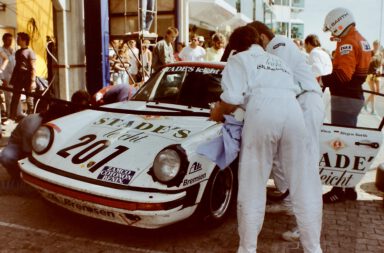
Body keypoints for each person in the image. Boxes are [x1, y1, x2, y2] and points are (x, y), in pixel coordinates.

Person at [210, 25, 322, 253]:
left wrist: (217, 112)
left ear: (236, 47)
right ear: (258, 41)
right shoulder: (278, 62)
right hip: (293, 112)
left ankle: (247, 249)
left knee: (253, 183)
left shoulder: (239, 60)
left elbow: (231, 99)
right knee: (303, 183)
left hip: (262, 112)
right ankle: (314, 249)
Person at [240, 21, 324, 244]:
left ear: (262, 37)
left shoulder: (279, 45)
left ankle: (303, 227)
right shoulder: (276, 48)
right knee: (281, 160)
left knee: (304, 169)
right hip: (295, 104)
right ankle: (289, 204)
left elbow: (274, 80)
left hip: (305, 101)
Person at [321, 7, 372, 203]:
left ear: (338, 24)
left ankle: (338, 190)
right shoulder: (361, 39)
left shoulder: (347, 43)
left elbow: (342, 76)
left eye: (332, 30)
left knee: (339, 145)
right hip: (354, 98)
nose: (332, 34)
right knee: (349, 144)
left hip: (344, 100)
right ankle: (349, 188)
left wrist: (320, 80)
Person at [0, 90, 90, 179]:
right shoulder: (32, 127)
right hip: (20, 145)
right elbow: (27, 155)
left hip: (38, 142)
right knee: (8, 157)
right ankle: (18, 177)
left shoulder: (61, 120)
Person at [9, 32, 37, 120]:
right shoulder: (17, 52)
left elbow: (33, 68)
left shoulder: (30, 52)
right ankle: (12, 117)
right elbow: (16, 67)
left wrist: (33, 82)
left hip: (27, 78)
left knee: (29, 99)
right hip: (18, 78)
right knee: (15, 98)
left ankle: (31, 117)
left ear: (24, 40)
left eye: (19, 38)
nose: (17, 40)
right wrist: (13, 79)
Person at [365, 40, 383, 114]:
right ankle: (372, 109)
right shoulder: (370, 52)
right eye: (375, 44)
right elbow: (367, 61)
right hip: (370, 74)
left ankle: (365, 104)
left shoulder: (380, 54)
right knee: (373, 91)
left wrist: (380, 71)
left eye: (377, 45)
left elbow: (381, 64)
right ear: (373, 45)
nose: (376, 46)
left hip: (377, 74)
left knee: (377, 92)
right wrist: (372, 58)